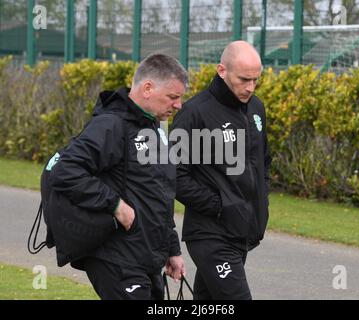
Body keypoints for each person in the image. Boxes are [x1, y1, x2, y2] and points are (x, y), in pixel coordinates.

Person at [50, 54, 187, 300]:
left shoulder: (153, 128)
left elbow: (159, 194)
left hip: (147, 258)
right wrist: (114, 204)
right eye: (173, 97)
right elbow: (66, 169)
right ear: (147, 88)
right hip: (117, 257)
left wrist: (172, 249)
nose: (178, 105)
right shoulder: (111, 124)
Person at [171, 41, 272, 300]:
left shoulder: (256, 108)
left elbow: (263, 162)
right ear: (222, 70)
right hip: (210, 235)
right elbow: (175, 176)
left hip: (243, 232)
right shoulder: (194, 112)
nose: (250, 87)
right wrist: (220, 205)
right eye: (244, 79)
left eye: (255, 80)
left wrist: (261, 201)